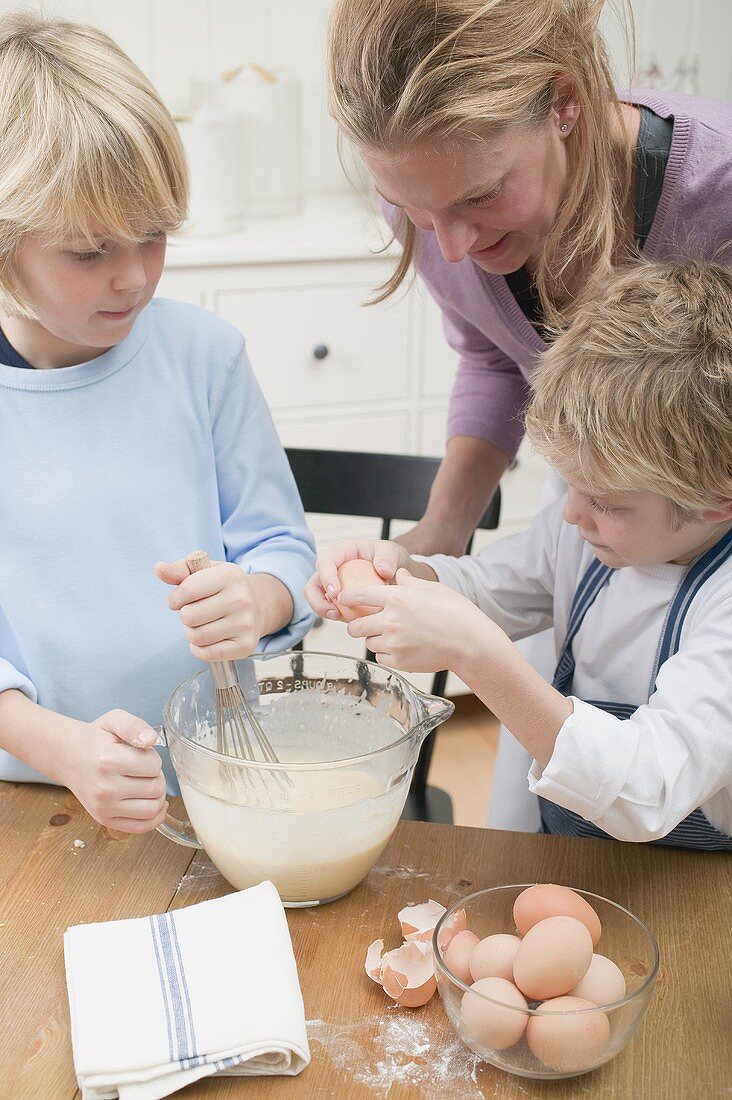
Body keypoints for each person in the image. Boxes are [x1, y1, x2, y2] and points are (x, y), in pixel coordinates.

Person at [326, 0, 732, 828]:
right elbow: (492, 360)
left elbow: (646, 787)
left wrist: (477, 651)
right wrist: (424, 557)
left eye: (479, 197)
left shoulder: (714, 190)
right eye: (414, 210)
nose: (448, 247)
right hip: (651, 505)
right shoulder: (589, 520)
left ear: (566, 101)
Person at [0, 14, 316, 834]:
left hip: (224, 772)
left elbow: (283, 548)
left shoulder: (204, 356)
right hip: (38, 792)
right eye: (88, 251)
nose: (133, 277)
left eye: (154, 237)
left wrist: (255, 599)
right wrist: (59, 748)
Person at [306, 259, 732, 849]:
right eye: (568, 483)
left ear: (716, 500)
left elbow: (646, 792)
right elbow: (492, 587)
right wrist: (402, 571)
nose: (571, 513)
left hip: (693, 893)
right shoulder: (587, 535)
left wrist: (476, 654)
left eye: (605, 501)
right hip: (579, 854)